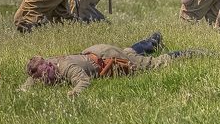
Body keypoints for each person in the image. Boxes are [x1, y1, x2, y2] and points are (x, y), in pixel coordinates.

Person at [19, 33, 201, 96]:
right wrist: (24, 89)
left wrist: (74, 92)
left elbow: (83, 81)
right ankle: (151, 41)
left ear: (50, 70)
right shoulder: (46, 64)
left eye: (44, 77)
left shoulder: (66, 67)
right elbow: (32, 77)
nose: (42, 80)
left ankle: (196, 52)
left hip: (107, 57)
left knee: (153, 64)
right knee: (130, 53)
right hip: (96, 51)